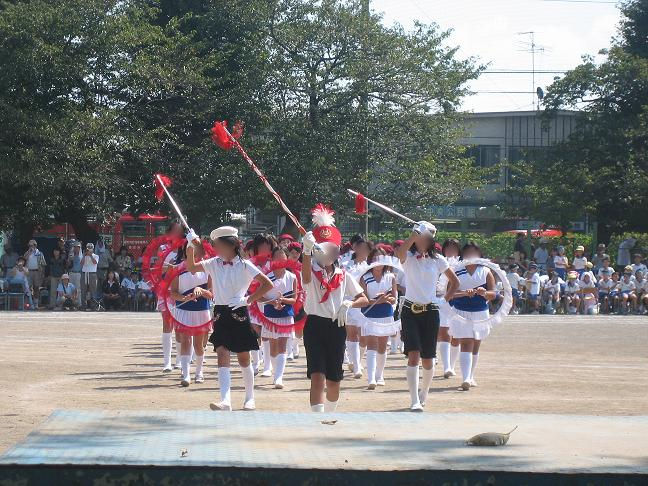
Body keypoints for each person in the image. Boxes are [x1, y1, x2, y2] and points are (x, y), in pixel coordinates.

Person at [185, 225, 273, 412]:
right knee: (222, 353)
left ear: (231, 245)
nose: (215, 248)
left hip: (239, 312)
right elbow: (191, 267)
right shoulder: (213, 263)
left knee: (243, 357)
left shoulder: (245, 265)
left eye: (218, 244)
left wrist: (247, 299)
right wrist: (190, 245)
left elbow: (267, 284)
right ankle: (225, 400)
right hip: (220, 312)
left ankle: (250, 398)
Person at [300, 204, 368, 413]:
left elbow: (363, 298)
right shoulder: (311, 271)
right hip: (314, 326)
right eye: (323, 248)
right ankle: (317, 419)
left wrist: (349, 304)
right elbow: (305, 277)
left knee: (334, 380)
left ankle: (329, 415)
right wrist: (306, 251)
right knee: (317, 376)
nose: (327, 252)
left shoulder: (343, 275)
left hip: (336, 326)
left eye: (331, 249)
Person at [395, 221, 459, 412]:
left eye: (426, 238)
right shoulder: (408, 256)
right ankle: (414, 399)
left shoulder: (438, 259)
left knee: (428, 358)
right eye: (420, 238)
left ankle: (424, 392)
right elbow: (399, 253)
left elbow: (454, 282)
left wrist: (443, 300)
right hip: (410, 311)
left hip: (430, 311)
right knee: (413, 354)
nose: (422, 241)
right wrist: (412, 236)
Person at [448, 242, 497, 391]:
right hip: (461, 311)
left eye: (474, 252)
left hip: (480, 312)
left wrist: (484, 293)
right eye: (468, 252)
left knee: (476, 344)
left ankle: (471, 375)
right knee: (466, 343)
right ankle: (465, 378)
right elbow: (449, 294)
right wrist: (464, 293)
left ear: (480, 255)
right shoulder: (457, 271)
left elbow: (493, 294)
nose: (471, 255)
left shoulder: (486, 271)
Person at [167, 242, 213, 387]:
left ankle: (199, 372)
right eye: (190, 248)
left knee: (199, 344)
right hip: (183, 310)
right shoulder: (177, 269)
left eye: (196, 248)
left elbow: (211, 294)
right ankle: (186, 374)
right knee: (186, 341)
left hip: (202, 310)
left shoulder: (207, 268)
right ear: (186, 251)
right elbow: (173, 293)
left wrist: (202, 290)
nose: (194, 252)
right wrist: (184, 298)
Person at [257, 247, 299, 389]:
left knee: (282, 345)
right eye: (277, 258)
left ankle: (279, 377)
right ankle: (275, 372)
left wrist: (283, 301)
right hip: (270, 314)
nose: (280, 261)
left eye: (283, 258)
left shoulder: (292, 277)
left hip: (286, 314)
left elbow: (294, 299)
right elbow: (259, 297)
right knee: (273, 346)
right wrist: (273, 302)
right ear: (272, 259)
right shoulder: (267, 277)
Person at [359, 247, 399, 390]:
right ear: (371, 260)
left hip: (386, 313)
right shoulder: (364, 277)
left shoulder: (391, 276)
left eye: (381, 259)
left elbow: (394, 299)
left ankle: (379, 375)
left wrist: (386, 298)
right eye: (375, 258)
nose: (378, 262)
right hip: (370, 314)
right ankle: (371, 378)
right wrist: (377, 300)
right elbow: (363, 300)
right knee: (372, 344)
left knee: (382, 346)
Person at [342, 238, 372, 379]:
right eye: (361, 248)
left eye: (366, 249)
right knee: (352, 333)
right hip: (351, 302)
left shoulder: (370, 267)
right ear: (355, 248)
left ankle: (357, 361)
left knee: (364, 337)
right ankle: (356, 366)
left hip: (367, 303)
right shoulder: (345, 264)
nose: (363, 251)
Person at [437, 239, 461, 378]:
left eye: (454, 248)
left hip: (459, 303)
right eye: (448, 248)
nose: (451, 251)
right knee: (444, 332)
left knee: (456, 336)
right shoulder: (439, 263)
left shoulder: (462, 265)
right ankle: (447, 367)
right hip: (443, 301)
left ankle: (451, 365)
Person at [24, 239, 46, 309]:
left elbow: (43, 264)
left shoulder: (40, 253)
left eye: (32, 245)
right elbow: (23, 260)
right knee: (28, 288)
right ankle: (29, 304)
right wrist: (29, 253)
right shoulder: (27, 253)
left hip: (37, 272)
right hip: (28, 272)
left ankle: (36, 304)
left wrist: (42, 274)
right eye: (29, 245)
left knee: (36, 288)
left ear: (35, 245)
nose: (30, 247)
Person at [80, 243, 99, 310]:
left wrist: (90, 255)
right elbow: (81, 263)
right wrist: (84, 255)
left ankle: (93, 306)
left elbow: (95, 262)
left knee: (93, 291)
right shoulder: (83, 256)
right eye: (88, 248)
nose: (89, 249)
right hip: (84, 274)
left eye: (90, 248)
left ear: (93, 249)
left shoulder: (96, 256)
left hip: (92, 274)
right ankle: (84, 306)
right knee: (83, 290)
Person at [67, 242, 83, 307]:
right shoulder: (71, 255)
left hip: (78, 273)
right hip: (71, 273)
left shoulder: (82, 256)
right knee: (71, 289)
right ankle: (71, 303)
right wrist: (70, 259)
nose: (76, 248)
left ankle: (79, 304)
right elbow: (68, 265)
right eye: (75, 247)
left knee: (78, 289)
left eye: (78, 247)